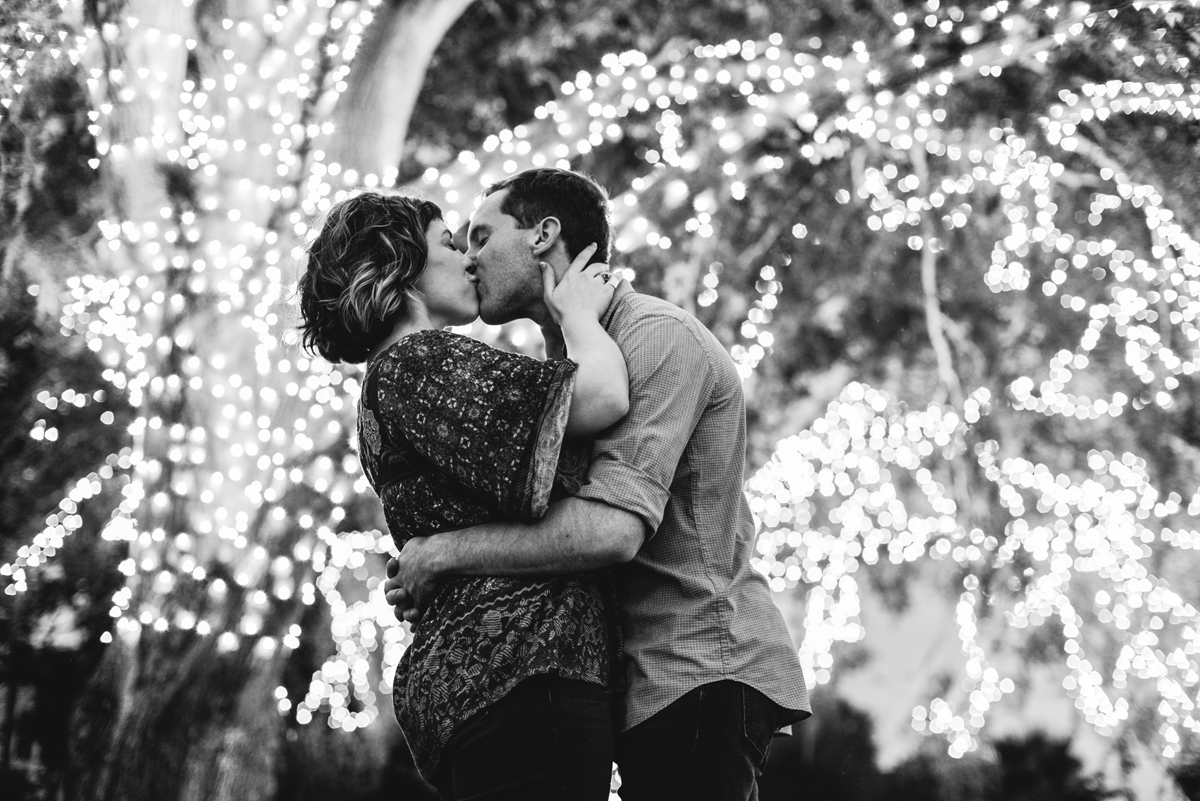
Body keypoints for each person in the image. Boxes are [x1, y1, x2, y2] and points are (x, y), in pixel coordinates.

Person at [386, 167, 811, 800]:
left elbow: (613, 532)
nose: (469, 259)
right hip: (637, 682)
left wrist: (443, 553)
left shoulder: (654, 336)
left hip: (697, 664)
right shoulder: (567, 370)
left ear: (542, 236)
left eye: (480, 236)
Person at [296, 190, 628, 799]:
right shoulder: (418, 361)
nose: (469, 261)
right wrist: (578, 316)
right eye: (449, 244)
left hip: (485, 682)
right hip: (519, 667)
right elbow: (603, 397)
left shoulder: (389, 380)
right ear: (403, 267)